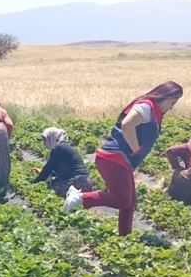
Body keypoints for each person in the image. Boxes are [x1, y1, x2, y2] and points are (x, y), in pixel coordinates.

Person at [64, 81, 183, 236]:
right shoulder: (147, 107)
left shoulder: (152, 111)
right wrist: (135, 149)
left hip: (117, 159)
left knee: (130, 201)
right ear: (164, 96)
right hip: (113, 158)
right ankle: (80, 197)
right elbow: (127, 124)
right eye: (172, 103)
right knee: (122, 200)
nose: (171, 107)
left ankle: (124, 236)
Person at [32, 126, 96, 196]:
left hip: (78, 182)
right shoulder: (63, 147)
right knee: (54, 183)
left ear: (51, 138)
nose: (44, 144)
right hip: (87, 181)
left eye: (45, 140)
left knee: (51, 190)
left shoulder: (57, 148)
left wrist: (35, 183)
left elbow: (49, 168)